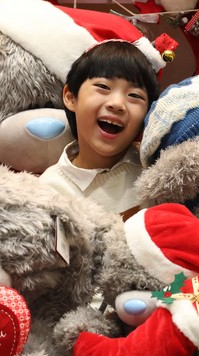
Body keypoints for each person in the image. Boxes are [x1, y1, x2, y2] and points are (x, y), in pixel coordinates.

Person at [40, 39, 161, 221]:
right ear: (71, 97)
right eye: (103, 87)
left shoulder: (156, 169)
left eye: (134, 95)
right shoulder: (48, 189)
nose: (117, 104)